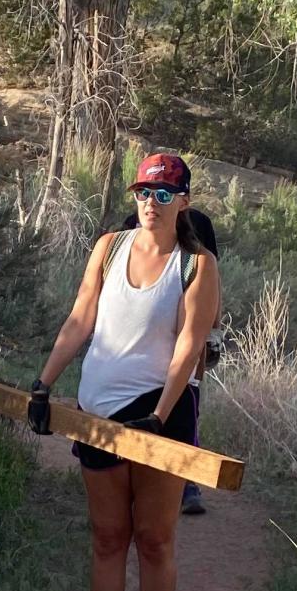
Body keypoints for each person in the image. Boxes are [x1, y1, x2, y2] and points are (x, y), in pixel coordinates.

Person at [27, 153, 219, 591]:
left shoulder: (197, 264)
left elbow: (190, 345)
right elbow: (81, 317)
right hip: (99, 413)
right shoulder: (109, 247)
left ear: (183, 201)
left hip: (161, 412)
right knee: (108, 537)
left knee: (154, 539)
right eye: (143, 193)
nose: (150, 204)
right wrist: (43, 384)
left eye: (163, 194)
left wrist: (159, 415)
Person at [121, 207, 219, 516]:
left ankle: (186, 482)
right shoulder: (136, 222)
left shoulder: (199, 223)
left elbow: (212, 279)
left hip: (188, 336)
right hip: (140, 342)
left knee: (187, 404)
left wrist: (213, 332)